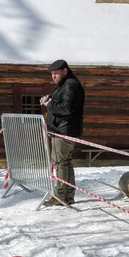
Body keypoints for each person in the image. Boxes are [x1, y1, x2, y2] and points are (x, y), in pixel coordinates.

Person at [40, 59, 85, 206]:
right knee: (64, 162)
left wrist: (49, 104)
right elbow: (61, 102)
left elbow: (66, 108)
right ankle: (67, 195)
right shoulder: (63, 85)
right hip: (61, 129)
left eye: (56, 73)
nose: (53, 76)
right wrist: (50, 99)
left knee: (61, 163)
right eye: (52, 74)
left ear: (65, 71)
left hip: (65, 130)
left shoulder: (71, 85)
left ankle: (61, 196)